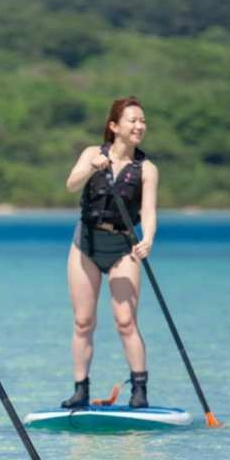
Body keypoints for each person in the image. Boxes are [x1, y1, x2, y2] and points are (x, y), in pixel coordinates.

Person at [61, 97, 160, 410]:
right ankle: (80, 390)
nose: (139, 126)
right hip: (86, 243)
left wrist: (149, 239)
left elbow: (149, 211)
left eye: (142, 120)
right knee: (83, 321)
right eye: (132, 120)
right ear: (114, 126)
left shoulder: (147, 169)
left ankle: (139, 390)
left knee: (125, 321)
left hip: (123, 246)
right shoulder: (93, 153)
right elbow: (71, 184)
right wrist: (92, 167)